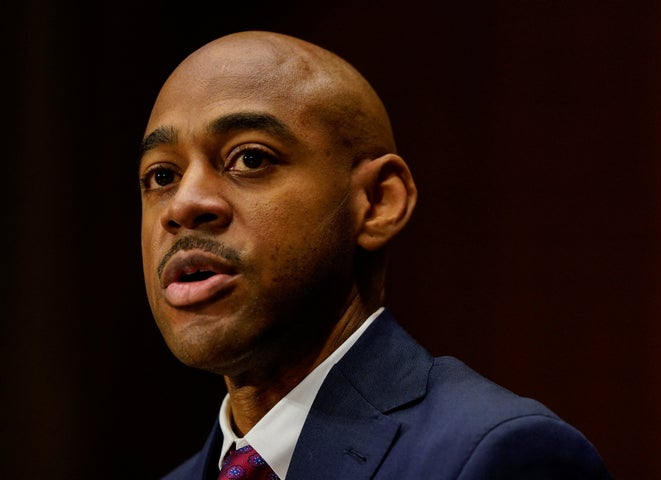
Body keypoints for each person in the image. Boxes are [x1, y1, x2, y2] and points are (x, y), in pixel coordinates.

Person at [138, 30, 613, 480]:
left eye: (251, 158)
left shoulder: (493, 457)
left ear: (378, 202)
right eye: (162, 176)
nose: (183, 205)